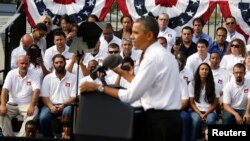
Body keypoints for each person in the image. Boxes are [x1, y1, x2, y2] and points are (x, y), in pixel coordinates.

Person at [80, 16, 183, 141]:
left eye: (136, 33)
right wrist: (118, 70)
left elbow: (130, 95)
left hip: (160, 123)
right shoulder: (164, 54)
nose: (132, 37)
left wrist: (98, 87)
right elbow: (141, 83)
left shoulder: (152, 58)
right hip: (169, 120)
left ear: (149, 35)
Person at [0, 55, 40, 136]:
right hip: (12, 104)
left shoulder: (35, 73)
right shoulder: (11, 73)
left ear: (29, 64)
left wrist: (32, 105)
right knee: (1, 113)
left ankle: (20, 137)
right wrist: (3, 105)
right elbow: (4, 90)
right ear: (17, 63)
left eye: (26, 63)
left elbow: (37, 91)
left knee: (34, 113)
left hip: (27, 105)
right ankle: (8, 136)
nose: (24, 65)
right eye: (22, 63)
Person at [39, 54, 76, 137]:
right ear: (53, 64)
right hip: (51, 105)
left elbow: (73, 97)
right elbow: (44, 97)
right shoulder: (48, 78)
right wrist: (51, 106)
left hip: (67, 105)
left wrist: (64, 105)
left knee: (67, 113)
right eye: (56, 63)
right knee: (43, 118)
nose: (59, 64)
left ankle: (66, 136)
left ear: (65, 63)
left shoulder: (73, 77)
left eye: (61, 62)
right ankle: (49, 137)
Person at [188, 63, 219, 141]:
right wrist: (200, 114)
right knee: (196, 120)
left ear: (209, 71)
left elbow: (215, 103)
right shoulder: (192, 84)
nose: (204, 71)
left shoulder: (215, 85)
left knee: (210, 120)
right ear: (198, 71)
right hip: (195, 110)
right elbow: (191, 103)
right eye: (202, 69)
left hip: (210, 111)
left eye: (206, 69)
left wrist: (205, 114)